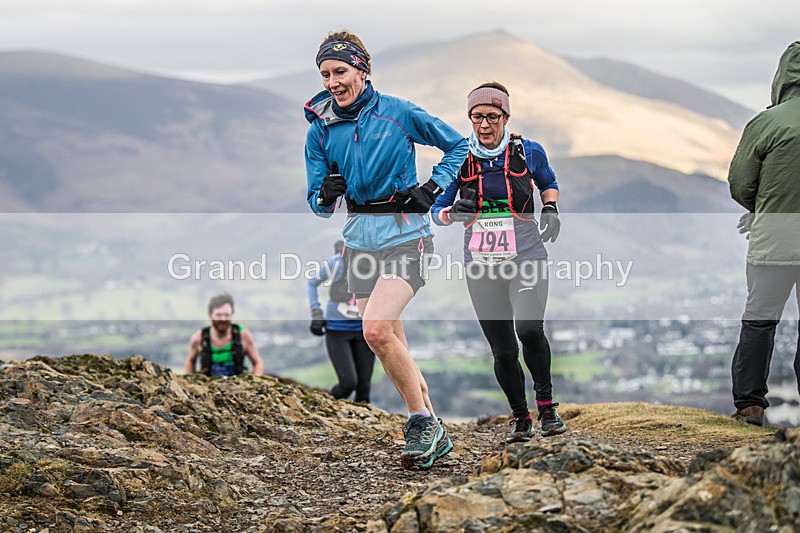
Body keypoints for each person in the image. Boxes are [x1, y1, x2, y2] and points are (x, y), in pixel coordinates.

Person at [304, 29, 468, 469]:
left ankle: (419, 421)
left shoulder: (398, 113)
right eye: (325, 74)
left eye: (340, 71)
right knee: (392, 337)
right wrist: (325, 193)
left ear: (362, 69)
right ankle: (432, 424)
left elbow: (458, 146)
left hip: (405, 233)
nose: (332, 82)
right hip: (357, 240)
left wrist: (433, 187)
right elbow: (317, 203)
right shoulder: (320, 128)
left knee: (374, 331)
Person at [431, 81, 567, 443]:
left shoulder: (528, 151)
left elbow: (548, 181)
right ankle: (521, 418)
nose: (484, 124)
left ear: (506, 117)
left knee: (528, 330)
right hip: (481, 264)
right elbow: (436, 209)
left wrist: (551, 208)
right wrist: (451, 213)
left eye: (492, 116)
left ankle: (547, 408)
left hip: (526, 256)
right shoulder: (459, 158)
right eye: (477, 117)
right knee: (503, 348)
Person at [728, 41, 800, 426]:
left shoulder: (767, 123)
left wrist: (762, 208)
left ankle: (750, 405)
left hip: (773, 243)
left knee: (760, 321)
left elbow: (740, 184)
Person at [308, 239, 375, 403]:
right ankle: (323, 407)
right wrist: (316, 312)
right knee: (348, 383)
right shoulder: (338, 263)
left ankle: (362, 426)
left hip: (363, 331)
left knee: (364, 388)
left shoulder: (378, 262)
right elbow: (312, 282)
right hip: (337, 331)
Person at [185, 293, 264, 377]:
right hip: (208, 386)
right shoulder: (199, 338)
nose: (223, 319)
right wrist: (190, 382)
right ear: (210, 315)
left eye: (226, 315)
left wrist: (256, 381)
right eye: (218, 315)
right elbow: (190, 361)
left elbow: (258, 362)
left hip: (238, 386)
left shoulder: (243, 335)